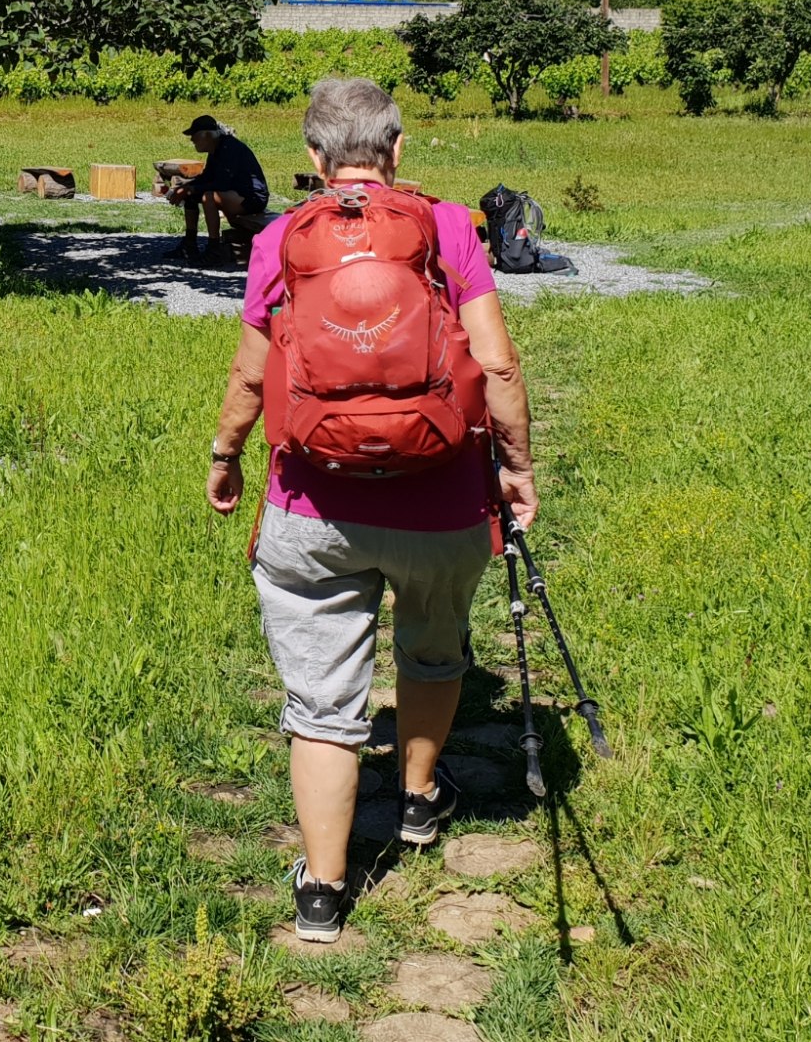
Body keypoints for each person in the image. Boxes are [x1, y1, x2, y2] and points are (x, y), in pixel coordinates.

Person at [204, 76, 537, 944]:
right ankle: (420, 801)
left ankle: (321, 890)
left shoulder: (279, 239)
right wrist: (517, 468)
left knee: (321, 702)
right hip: (443, 500)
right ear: (398, 149)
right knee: (433, 650)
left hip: (311, 503)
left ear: (313, 160)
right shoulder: (451, 227)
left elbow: (249, 374)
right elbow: (496, 367)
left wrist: (225, 455)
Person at [165, 114, 268, 261]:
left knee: (209, 197)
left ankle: (214, 250)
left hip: (252, 198)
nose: (192, 140)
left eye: (194, 136)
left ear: (206, 135)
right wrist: (187, 188)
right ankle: (189, 244)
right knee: (193, 195)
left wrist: (190, 188)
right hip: (236, 195)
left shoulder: (229, 149)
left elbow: (221, 184)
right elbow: (207, 177)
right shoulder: (216, 149)